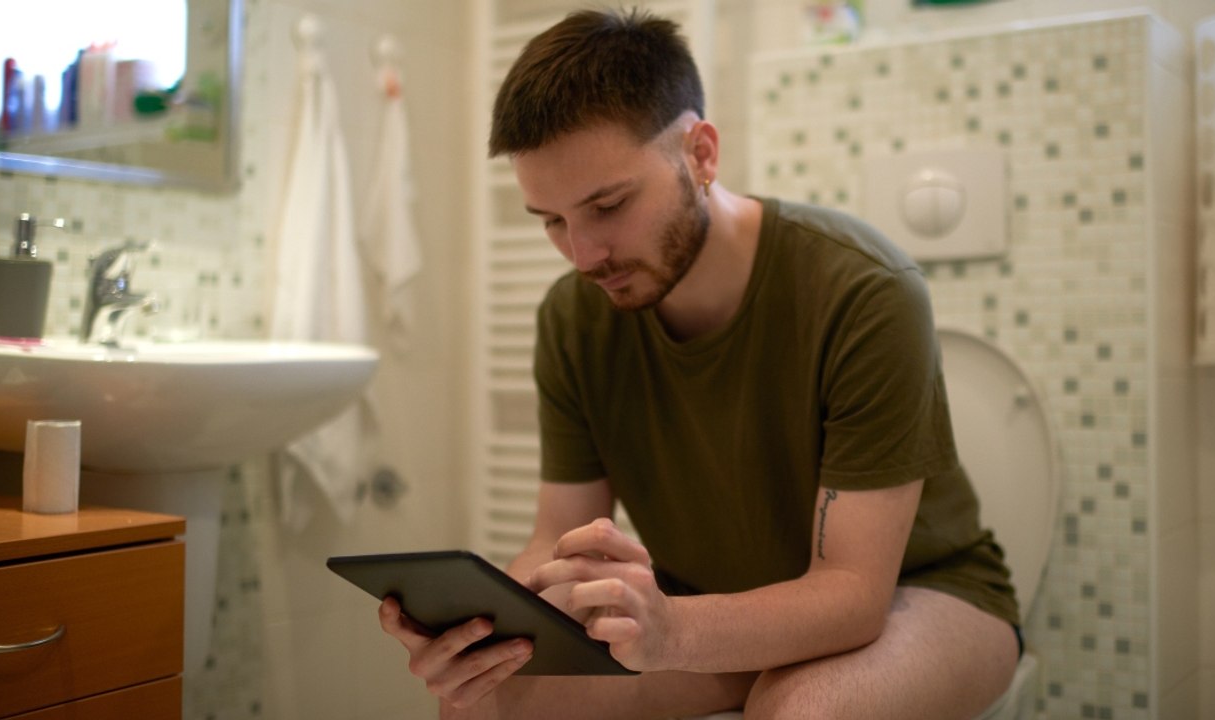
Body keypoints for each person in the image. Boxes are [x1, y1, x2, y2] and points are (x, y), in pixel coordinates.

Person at [380, 8, 1020, 719]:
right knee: (484, 704)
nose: (583, 254)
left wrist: (674, 631)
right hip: (715, 609)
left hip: (921, 596)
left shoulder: (862, 290)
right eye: (553, 221)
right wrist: (478, 632)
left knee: (802, 710)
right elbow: (554, 537)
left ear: (700, 154)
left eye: (607, 204)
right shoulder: (571, 319)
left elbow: (851, 595)